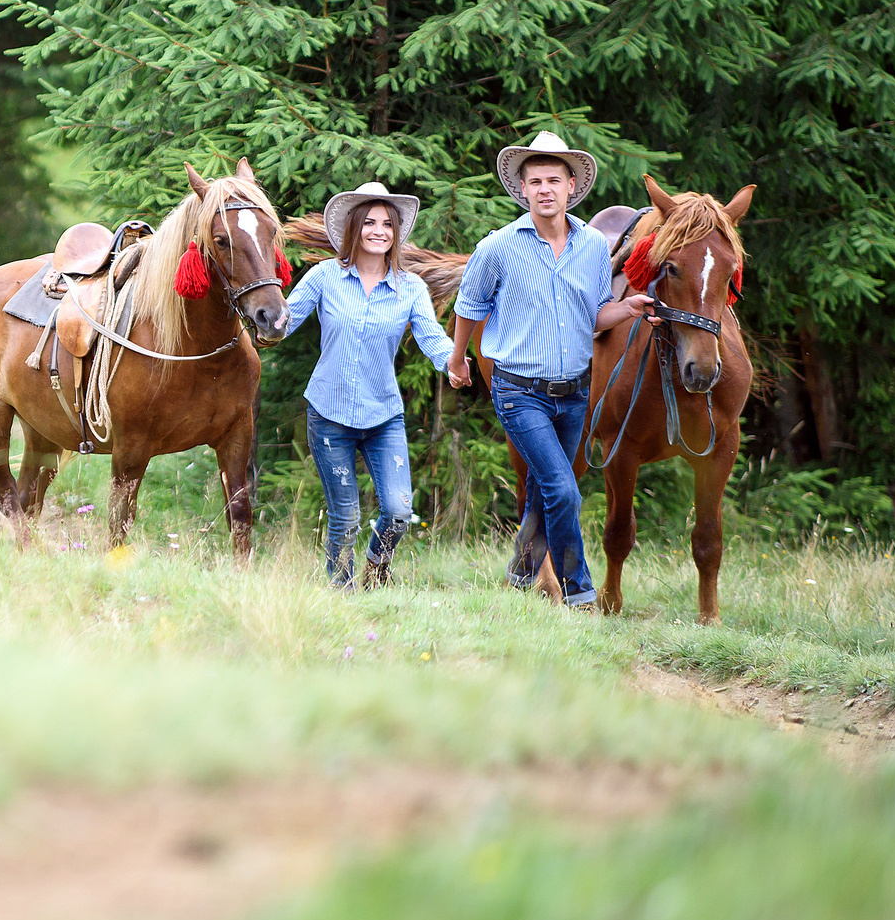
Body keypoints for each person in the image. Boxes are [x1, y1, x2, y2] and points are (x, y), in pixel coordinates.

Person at [446, 131, 656, 608]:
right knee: (563, 489)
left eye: (553, 180)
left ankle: (521, 573)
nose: (544, 189)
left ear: (571, 186)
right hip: (519, 390)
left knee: (548, 488)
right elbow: (470, 307)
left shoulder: (591, 249)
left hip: (575, 393)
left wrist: (631, 309)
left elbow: (596, 313)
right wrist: (458, 359)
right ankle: (580, 590)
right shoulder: (497, 247)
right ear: (523, 189)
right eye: (535, 181)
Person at [275, 181, 454, 588]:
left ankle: (377, 564)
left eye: (387, 224)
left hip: (382, 416)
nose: (379, 231)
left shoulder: (411, 288)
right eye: (370, 222)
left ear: (396, 233)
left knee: (397, 510)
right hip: (329, 414)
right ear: (354, 228)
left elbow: (432, 338)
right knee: (345, 516)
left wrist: (453, 363)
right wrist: (257, 316)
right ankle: (341, 592)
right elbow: (285, 322)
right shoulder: (325, 276)